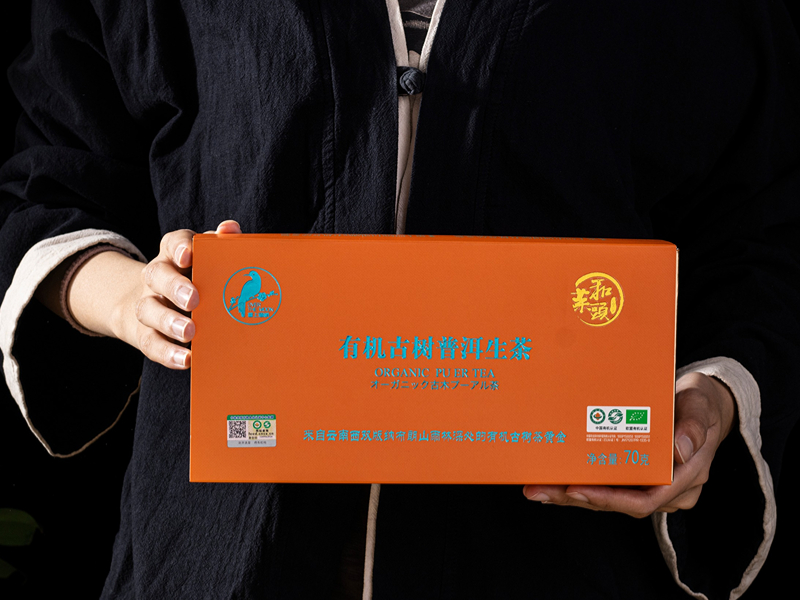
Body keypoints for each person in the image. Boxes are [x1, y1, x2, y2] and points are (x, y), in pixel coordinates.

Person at [1, 0, 798, 598]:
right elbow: (56, 176)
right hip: (222, 553)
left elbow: (754, 231)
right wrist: (133, 298)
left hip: (554, 554)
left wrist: (712, 400)